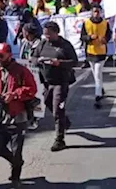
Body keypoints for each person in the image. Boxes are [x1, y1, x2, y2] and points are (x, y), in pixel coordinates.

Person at [0, 43, 37, 187]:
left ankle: (16, 177)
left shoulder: (21, 71)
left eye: (0, 56)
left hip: (17, 115)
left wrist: (14, 95)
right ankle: (16, 163)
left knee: (16, 150)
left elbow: (31, 89)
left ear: (9, 55)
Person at [32, 21, 77, 152]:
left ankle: (59, 139)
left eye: (49, 34)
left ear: (56, 33)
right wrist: (38, 61)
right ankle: (64, 121)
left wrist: (60, 63)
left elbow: (74, 61)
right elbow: (34, 57)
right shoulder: (43, 43)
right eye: (45, 34)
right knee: (47, 103)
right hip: (46, 82)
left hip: (61, 82)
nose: (46, 37)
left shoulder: (65, 45)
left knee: (57, 109)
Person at [81, 5, 111, 108]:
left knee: (98, 72)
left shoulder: (105, 23)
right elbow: (82, 37)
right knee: (95, 73)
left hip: (101, 52)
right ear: (91, 12)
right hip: (90, 52)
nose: (96, 13)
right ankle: (100, 88)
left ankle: (97, 96)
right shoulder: (86, 23)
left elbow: (109, 35)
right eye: (94, 11)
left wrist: (105, 40)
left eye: (98, 11)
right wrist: (89, 37)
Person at [19, 23, 43, 130]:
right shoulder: (24, 43)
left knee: (37, 97)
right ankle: (29, 117)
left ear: (28, 33)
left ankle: (35, 119)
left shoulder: (39, 43)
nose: (22, 33)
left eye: (24, 31)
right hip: (25, 72)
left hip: (37, 73)